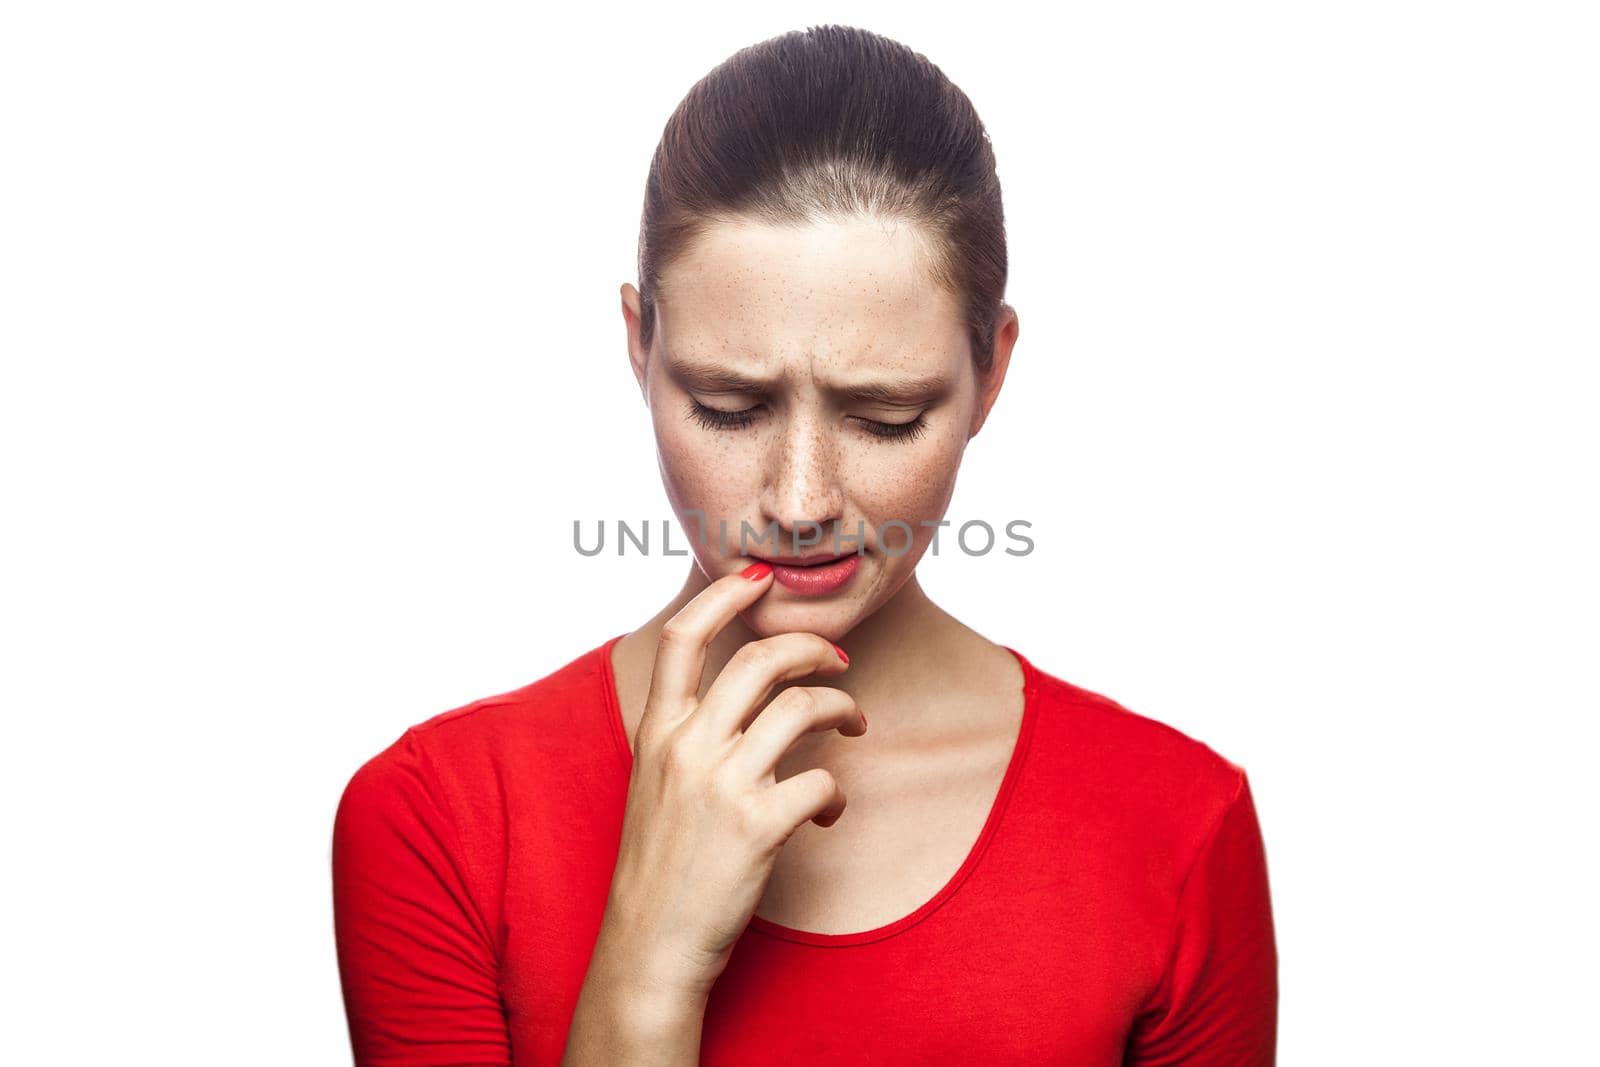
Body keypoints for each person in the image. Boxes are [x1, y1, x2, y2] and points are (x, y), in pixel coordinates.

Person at [331, 24, 1277, 1066]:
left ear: (990, 374)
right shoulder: (439, 817)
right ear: (639, 346)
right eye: (729, 406)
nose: (797, 498)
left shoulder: (1175, 822)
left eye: (885, 416)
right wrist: (647, 967)